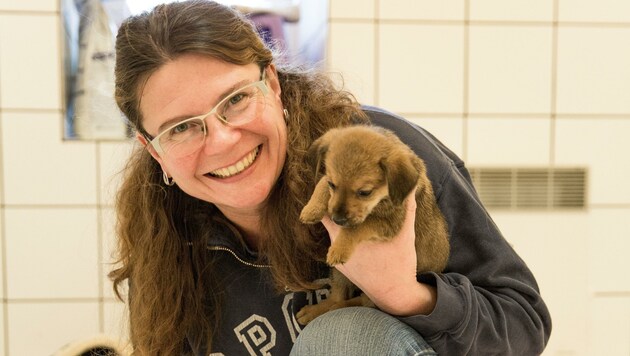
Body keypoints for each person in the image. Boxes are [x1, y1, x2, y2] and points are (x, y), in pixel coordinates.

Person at [109, 1, 552, 355]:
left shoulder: (378, 151)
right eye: (181, 127)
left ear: (273, 84)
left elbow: (523, 326)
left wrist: (404, 294)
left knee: (343, 339)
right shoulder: (163, 239)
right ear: (155, 150)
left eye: (237, 99)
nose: (223, 140)